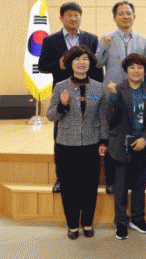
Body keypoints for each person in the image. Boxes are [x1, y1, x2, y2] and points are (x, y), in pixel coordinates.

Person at [38, 2, 103, 193]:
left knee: (88, 130)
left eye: (76, 15)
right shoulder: (50, 40)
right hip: (63, 90)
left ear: (81, 17)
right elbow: (42, 66)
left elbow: (96, 66)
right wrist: (57, 64)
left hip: (87, 89)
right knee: (61, 135)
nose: (73, 19)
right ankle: (61, 178)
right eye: (69, 15)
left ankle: (86, 176)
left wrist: (99, 89)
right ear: (61, 18)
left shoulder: (91, 38)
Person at [46, 45, 107, 240]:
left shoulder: (99, 87)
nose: (82, 63)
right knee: (69, 188)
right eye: (77, 59)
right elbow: (50, 115)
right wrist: (62, 105)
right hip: (66, 145)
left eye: (85, 59)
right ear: (70, 63)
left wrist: (103, 140)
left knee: (89, 187)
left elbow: (103, 117)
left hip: (91, 144)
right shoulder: (60, 86)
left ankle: (87, 223)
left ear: (90, 63)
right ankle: (72, 225)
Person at [96, 0, 146, 195]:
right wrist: (104, 46)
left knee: (134, 133)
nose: (125, 16)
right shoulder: (106, 38)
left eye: (128, 13)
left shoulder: (143, 40)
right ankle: (111, 181)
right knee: (113, 136)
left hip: (135, 95)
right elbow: (97, 63)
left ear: (134, 16)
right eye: (121, 13)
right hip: (113, 94)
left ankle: (132, 180)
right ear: (114, 17)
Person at [103, 53, 146, 240]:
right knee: (121, 188)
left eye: (140, 67)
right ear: (126, 71)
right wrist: (113, 98)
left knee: (139, 186)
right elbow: (110, 119)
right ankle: (121, 222)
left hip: (143, 145)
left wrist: (145, 139)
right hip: (121, 145)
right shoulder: (116, 89)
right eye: (132, 67)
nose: (136, 71)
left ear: (144, 71)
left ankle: (138, 219)